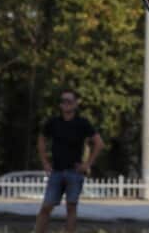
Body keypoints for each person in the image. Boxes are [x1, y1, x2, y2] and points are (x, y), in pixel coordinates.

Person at [35, 88, 103, 233]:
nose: (66, 104)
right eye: (63, 101)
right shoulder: (53, 122)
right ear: (60, 104)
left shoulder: (82, 123)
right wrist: (45, 162)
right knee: (46, 207)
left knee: (71, 208)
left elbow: (99, 143)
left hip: (74, 172)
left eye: (69, 101)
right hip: (56, 171)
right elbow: (41, 139)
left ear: (75, 104)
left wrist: (87, 164)